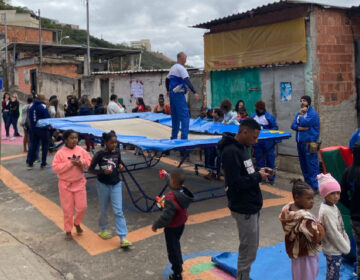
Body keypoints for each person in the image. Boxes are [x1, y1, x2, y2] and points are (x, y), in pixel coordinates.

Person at [217, 118, 271, 280]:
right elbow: (235, 183)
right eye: (254, 137)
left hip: (251, 205)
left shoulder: (243, 148)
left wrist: (260, 172)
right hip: (243, 207)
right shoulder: (231, 152)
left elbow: (245, 173)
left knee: (250, 249)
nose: (256, 141)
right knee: (248, 251)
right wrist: (258, 177)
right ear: (244, 132)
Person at [88, 131, 133, 248]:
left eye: (116, 143)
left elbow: (118, 164)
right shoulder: (99, 155)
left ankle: (123, 238)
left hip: (116, 184)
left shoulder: (117, 152)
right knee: (104, 209)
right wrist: (103, 172)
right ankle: (103, 229)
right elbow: (90, 170)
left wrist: (120, 167)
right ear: (106, 142)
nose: (114, 145)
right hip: (103, 185)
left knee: (118, 211)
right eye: (112, 143)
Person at [152, 170, 194, 280]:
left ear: (174, 183)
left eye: (170, 179)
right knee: (176, 244)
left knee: (172, 250)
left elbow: (166, 216)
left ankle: (177, 273)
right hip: (181, 223)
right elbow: (173, 181)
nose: (169, 179)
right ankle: (179, 264)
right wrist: (166, 175)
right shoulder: (182, 190)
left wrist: (156, 224)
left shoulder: (171, 197)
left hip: (172, 227)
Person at [279, 179, 325, 280]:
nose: (312, 201)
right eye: (308, 198)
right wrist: (320, 226)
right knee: (309, 275)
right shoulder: (305, 218)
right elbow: (315, 237)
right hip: (306, 254)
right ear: (297, 197)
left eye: (312, 198)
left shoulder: (287, 211)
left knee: (298, 275)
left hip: (295, 252)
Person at [52, 130, 91, 240]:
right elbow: (55, 168)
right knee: (67, 209)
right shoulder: (60, 153)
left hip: (79, 183)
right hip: (65, 185)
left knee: (82, 207)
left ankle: (77, 222)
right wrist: (70, 164)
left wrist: (81, 163)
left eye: (76, 138)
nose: (74, 140)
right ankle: (68, 230)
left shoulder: (81, 150)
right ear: (65, 140)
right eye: (71, 138)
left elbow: (89, 162)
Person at [318, 173, 350, 280]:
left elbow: (340, 226)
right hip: (333, 249)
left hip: (336, 247)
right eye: (332, 193)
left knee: (334, 273)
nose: (336, 196)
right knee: (333, 275)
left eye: (338, 193)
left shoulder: (332, 206)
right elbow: (333, 233)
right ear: (324, 194)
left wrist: (345, 238)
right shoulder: (326, 212)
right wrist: (345, 247)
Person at [166, 52, 199, 140]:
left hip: (172, 94)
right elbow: (187, 80)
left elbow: (167, 79)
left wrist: (167, 90)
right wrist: (194, 91)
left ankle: (173, 138)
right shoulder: (181, 68)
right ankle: (184, 141)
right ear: (181, 58)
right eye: (185, 58)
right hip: (178, 94)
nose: (186, 60)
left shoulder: (173, 68)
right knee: (185, 117)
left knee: (175, 117)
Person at [291, 95, 320, 191]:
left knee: (312, 164)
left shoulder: (313, 114)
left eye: (304, 101)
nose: (302, 102)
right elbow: (293, 125)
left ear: (308, 102)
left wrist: (300, 120)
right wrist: (299, 127)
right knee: (303, 165)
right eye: (301, 100)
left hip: (311, 143)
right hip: (300, 143)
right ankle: (308, 185)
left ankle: (315, 187)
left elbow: (305, 123)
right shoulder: (300, 113)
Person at [340, 142, 360, 278]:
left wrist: (351, 205)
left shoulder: (348, 171)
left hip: (355, 217)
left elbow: (341, 194)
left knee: (359, 245)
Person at [251, 100, 278, 184]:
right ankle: (261, 178)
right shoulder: (253, 116)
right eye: (258, 109)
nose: (259, 111)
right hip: (257, 141)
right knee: (259, 160)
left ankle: (271, 179)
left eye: (260, 109)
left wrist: (266, 130)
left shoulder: (269, 117)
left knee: (270, 160)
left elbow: (275, 127)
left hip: (268, 141)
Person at [28, 94, 51, 169]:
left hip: (33, 129)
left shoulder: (31, 106)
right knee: (45, 146)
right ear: (42, 98)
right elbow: (47, 118)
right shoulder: (43, 106)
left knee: (34, 146)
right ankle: (43, 163)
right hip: (42, 129)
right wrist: (49, 126)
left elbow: (30, 118)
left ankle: (30, 162)